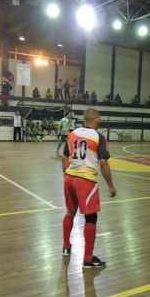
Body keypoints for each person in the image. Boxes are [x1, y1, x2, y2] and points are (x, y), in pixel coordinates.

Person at [61, 108, 116, 268]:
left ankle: (66, 248)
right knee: (91, 218)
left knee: (70, 212)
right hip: (85, 180)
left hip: (69, 177)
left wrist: (67, 176)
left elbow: (64, 158)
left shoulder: (72, 134)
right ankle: (88, 258)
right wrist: (111, 186)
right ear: (97, 120)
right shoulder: (99, 137)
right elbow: (103, 163)